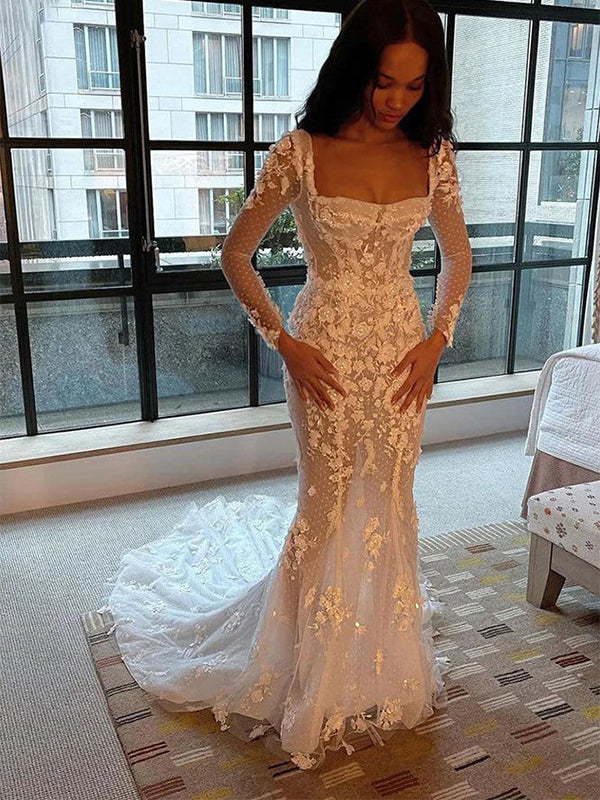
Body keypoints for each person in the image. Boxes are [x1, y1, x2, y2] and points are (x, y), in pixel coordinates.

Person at [98, 0, 473, 772]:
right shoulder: (300, 151)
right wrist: (285, 344)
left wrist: (438, 341)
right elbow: (236, 254)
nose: (397, 99)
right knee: (326, 502)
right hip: (322, 351)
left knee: (391, 497)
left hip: (400, 352)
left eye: (413, 85)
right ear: (355, 68)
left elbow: (458, 253)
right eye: (383, 81)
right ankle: (309, 663)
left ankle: (380, 656)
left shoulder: (432, 154)